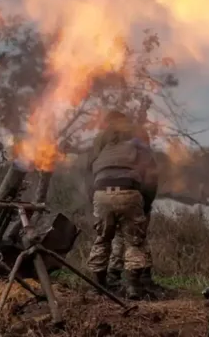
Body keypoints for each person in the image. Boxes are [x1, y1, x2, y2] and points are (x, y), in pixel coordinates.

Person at [85, 110, 159, 300]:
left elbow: (88, 172)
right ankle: (133, 287)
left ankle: (98, 287)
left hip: (101, 192)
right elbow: (151, 175)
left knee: (102, 239)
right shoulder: (137, 140)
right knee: (134, 241)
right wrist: (146, 203)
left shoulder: (101, 142)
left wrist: (93, 198)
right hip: (129, 191)